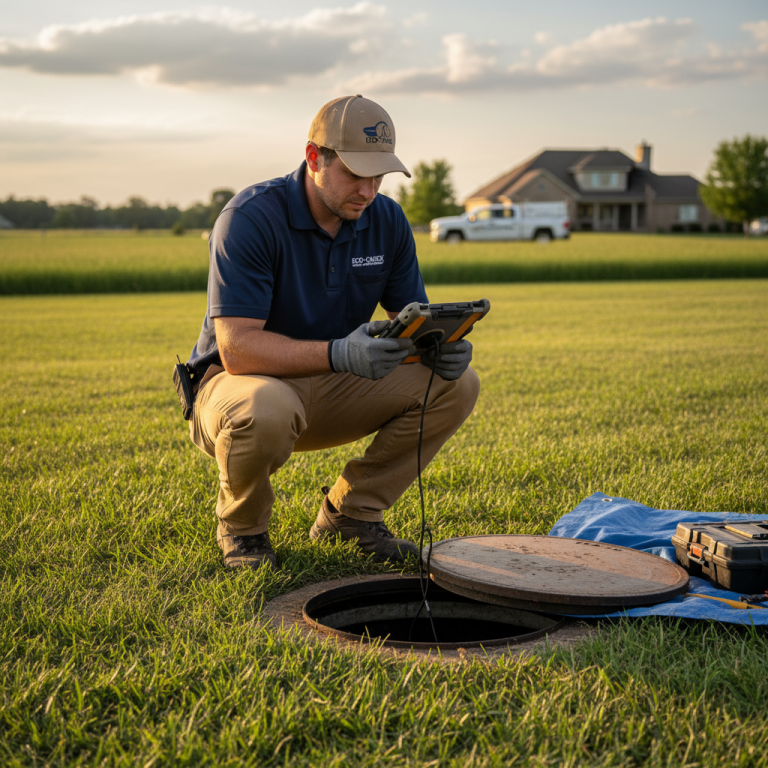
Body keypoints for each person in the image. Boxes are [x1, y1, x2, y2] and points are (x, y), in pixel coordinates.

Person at [185, 95, 479, 571]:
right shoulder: (250, 218)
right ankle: (244, 532)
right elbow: (236, 348)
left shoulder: (386, 220)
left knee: (457, 384)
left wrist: (442, 347)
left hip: (332, 382)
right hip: (237, 390)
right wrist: (340, 353)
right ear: (313, 157)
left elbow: (411, 316)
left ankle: (351, 517)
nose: (368, 190)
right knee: (265, 405)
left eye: (378, 175)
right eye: (354, 173)